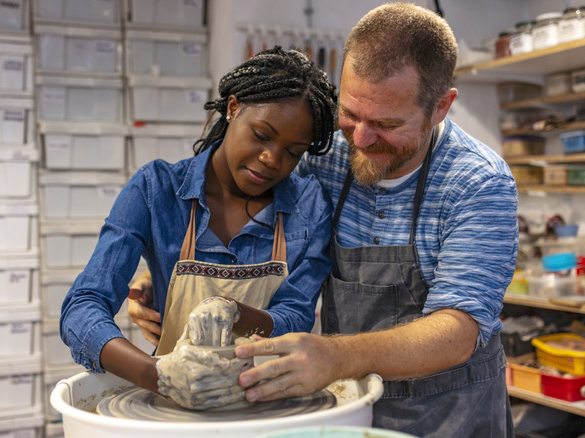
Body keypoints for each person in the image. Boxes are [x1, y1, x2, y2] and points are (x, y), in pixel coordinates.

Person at [130, 3, 518, 436]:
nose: (362, 139)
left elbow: (458, 330)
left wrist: (335, 356)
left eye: (386, 123)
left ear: (441, 107)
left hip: (450, 414)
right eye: (350, 114)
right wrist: (169, 268)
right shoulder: (326, 158)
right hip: (346, 409)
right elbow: (249, 217)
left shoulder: (479, 183)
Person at [59, 46, 338, 410]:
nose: (272, 159)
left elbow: (296, 315)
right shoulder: (156, 190)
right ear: (233, 108)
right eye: (262, 135)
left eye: (293, 152)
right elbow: (83, 307)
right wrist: (157, 376)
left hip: (266, 404)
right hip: (172, 407)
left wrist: (234, 312)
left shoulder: (308, 206)